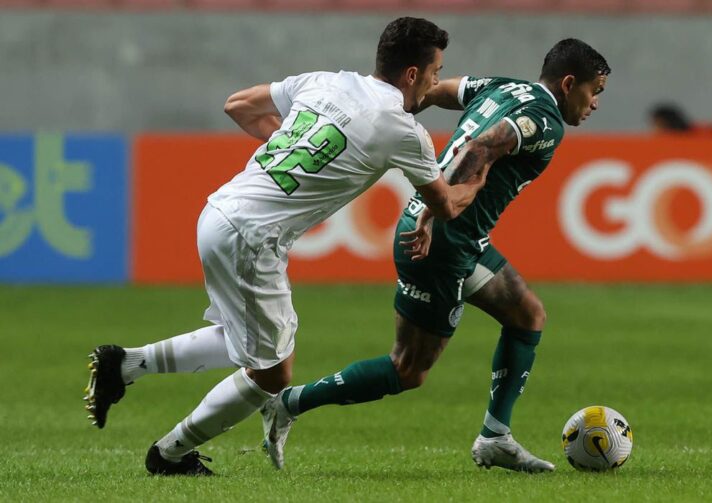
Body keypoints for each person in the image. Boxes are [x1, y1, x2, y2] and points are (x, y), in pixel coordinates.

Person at [84, 17, 491, 476]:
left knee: (247, 344)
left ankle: (126, 365)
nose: (437, 83)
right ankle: (170, 454)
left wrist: (295, 145)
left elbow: (237, 105)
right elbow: (446, 202)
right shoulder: (401, 129)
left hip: (219, 211)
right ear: (413, 74)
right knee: (273, 374)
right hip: (254, 237)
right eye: (436, 71)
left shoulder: (325, 81)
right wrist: (482, 166)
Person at [261, 38, 610, 473]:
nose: (595, 103)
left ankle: (495, 437)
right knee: (407, 370)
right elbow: (483, 146)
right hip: (440, 241)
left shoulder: (504, 88)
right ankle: (288, 403)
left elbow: (440, 89)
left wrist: (398, 114)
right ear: (569, 82)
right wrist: (433, 209)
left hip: (462, 240)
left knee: (527, 316)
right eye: (594, 91)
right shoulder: (544, 119)